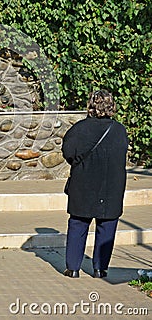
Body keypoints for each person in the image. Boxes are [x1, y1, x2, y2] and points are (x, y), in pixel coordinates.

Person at [62, 89, 128, 278]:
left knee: (78, 224)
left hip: (83, 183)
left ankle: (73, 268)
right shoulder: (119, 130)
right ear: (111, 106)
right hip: (111, 186)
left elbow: (68, 153)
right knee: (107, 225)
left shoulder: (79, 129)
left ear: (90, 105)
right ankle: (100, 268)